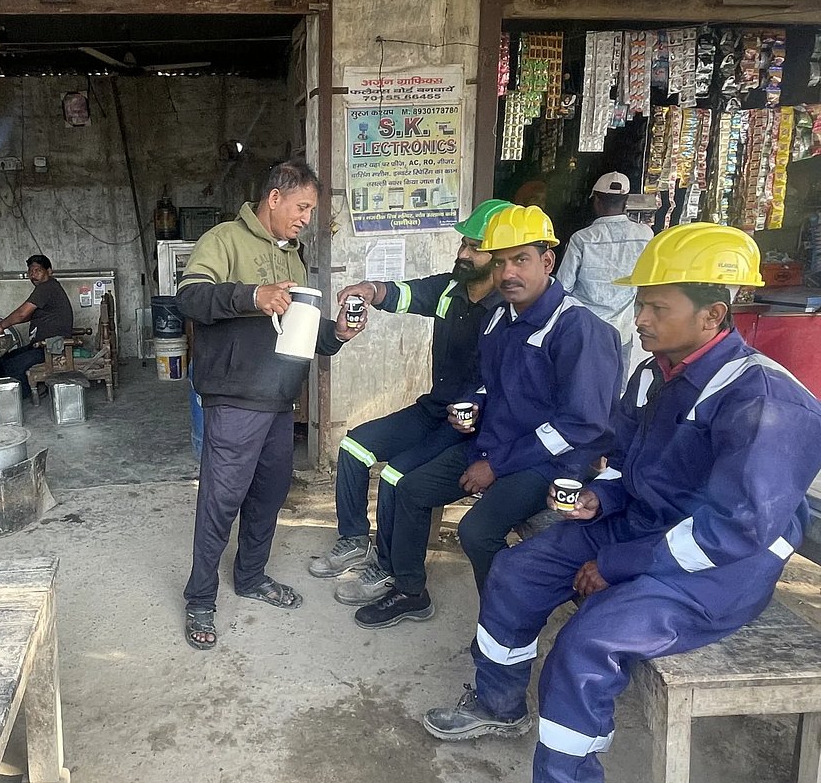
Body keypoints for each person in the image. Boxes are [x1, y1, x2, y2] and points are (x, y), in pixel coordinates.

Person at [422, 223, 821, 783]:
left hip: (717, 571)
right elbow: (621, 462)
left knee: (587, 645)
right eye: (640, 303)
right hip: (640, 529)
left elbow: (731, 531)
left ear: (712, 314)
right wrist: (598, 498)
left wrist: (615, 562)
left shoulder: (764, 400)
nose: (639, 318)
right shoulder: (652, 375)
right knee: (518, 572)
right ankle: (498, 706)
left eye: (657, 307)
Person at [352, 205, 623, 628]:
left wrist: (496, 465)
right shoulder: (500, 315)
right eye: (500, 262)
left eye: (521, 260)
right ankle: (409, 590)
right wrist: (474, 404)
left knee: (476, 532)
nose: (508, 273)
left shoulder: (578, 329)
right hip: (494, 445)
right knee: (408, 487)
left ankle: (505, 620)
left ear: (547, 261)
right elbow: (489, 381)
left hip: (550, 462)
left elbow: (581, 425)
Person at [176, 158, 366, 651]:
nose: (307, 218)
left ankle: (252, 576)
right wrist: (252, 295)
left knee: (269, 494)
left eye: (311, 210)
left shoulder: (294, 257)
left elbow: (299, 329)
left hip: (280, 400)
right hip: (236, 398)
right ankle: (200, 598)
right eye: (302, 207)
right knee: (221, 499)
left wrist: (336, 334)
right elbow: (190, 298)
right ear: (274, 197)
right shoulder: (224, 240)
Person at [310, 199, 511, 597]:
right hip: (434, 409)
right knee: (354, 446)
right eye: (463, 245)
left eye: (475, 247)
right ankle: (354, 539)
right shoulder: (450, 290)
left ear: (501, 258)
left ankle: (387, 568)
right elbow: (405, 293)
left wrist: (477, 406)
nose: (464, 254)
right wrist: (369, 290)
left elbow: (508, 382)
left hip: (472, 426)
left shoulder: (508, 310)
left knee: (394, 475)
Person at [556, 171, 654, 366]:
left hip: (586, 330)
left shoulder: (582, 238)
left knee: (582, 383)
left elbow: (562, 287)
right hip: (624, 329)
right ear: (625, 203)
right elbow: (650, 281)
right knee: (618, 388)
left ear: (597, 202)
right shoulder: (646, 235)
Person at [0, 255, 74, 397]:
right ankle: (27, 391)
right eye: (31, 271)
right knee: (5, 359)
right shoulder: (50, 286)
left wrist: (1, 326)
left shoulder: (46, 288)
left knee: (10, 366)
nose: (33, 275)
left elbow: (22, 314)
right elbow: (29, 315)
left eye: (38, 270)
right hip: (42, 345)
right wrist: (12, 321)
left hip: (51, 348)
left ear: (49, 271)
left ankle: (26, 395)